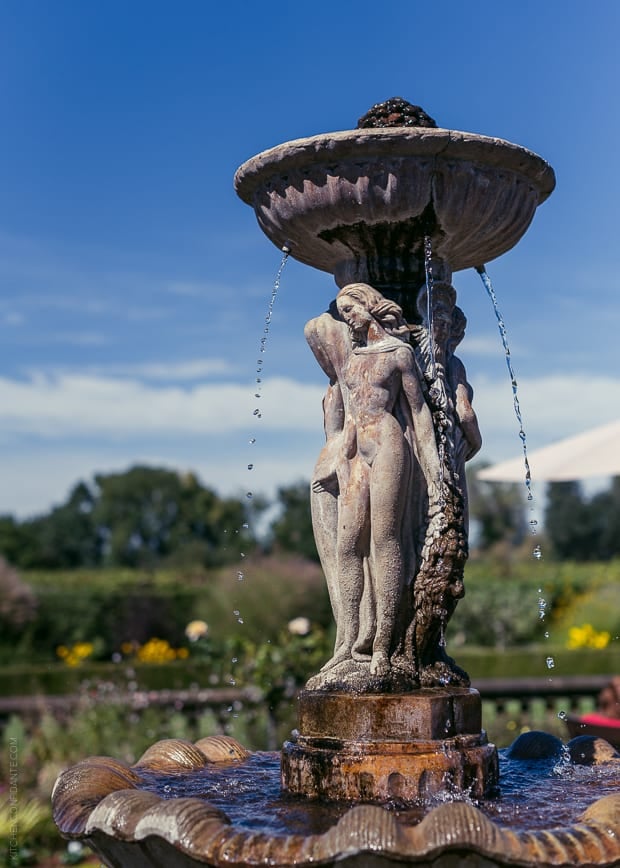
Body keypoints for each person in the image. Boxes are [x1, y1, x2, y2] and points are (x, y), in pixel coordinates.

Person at [306, 283, 443, 685]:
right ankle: (347, 644)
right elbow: (346, 415)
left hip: (387, 443)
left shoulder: (400, 355)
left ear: (370, 307)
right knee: (348, 544)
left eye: (352, 309)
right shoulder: (351, 362)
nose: (347, 316)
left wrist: (434, 474)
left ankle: (382, 644)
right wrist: (336, 460)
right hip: (355, 451)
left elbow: (418, 414)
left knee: (385, 540)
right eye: (343, 311)